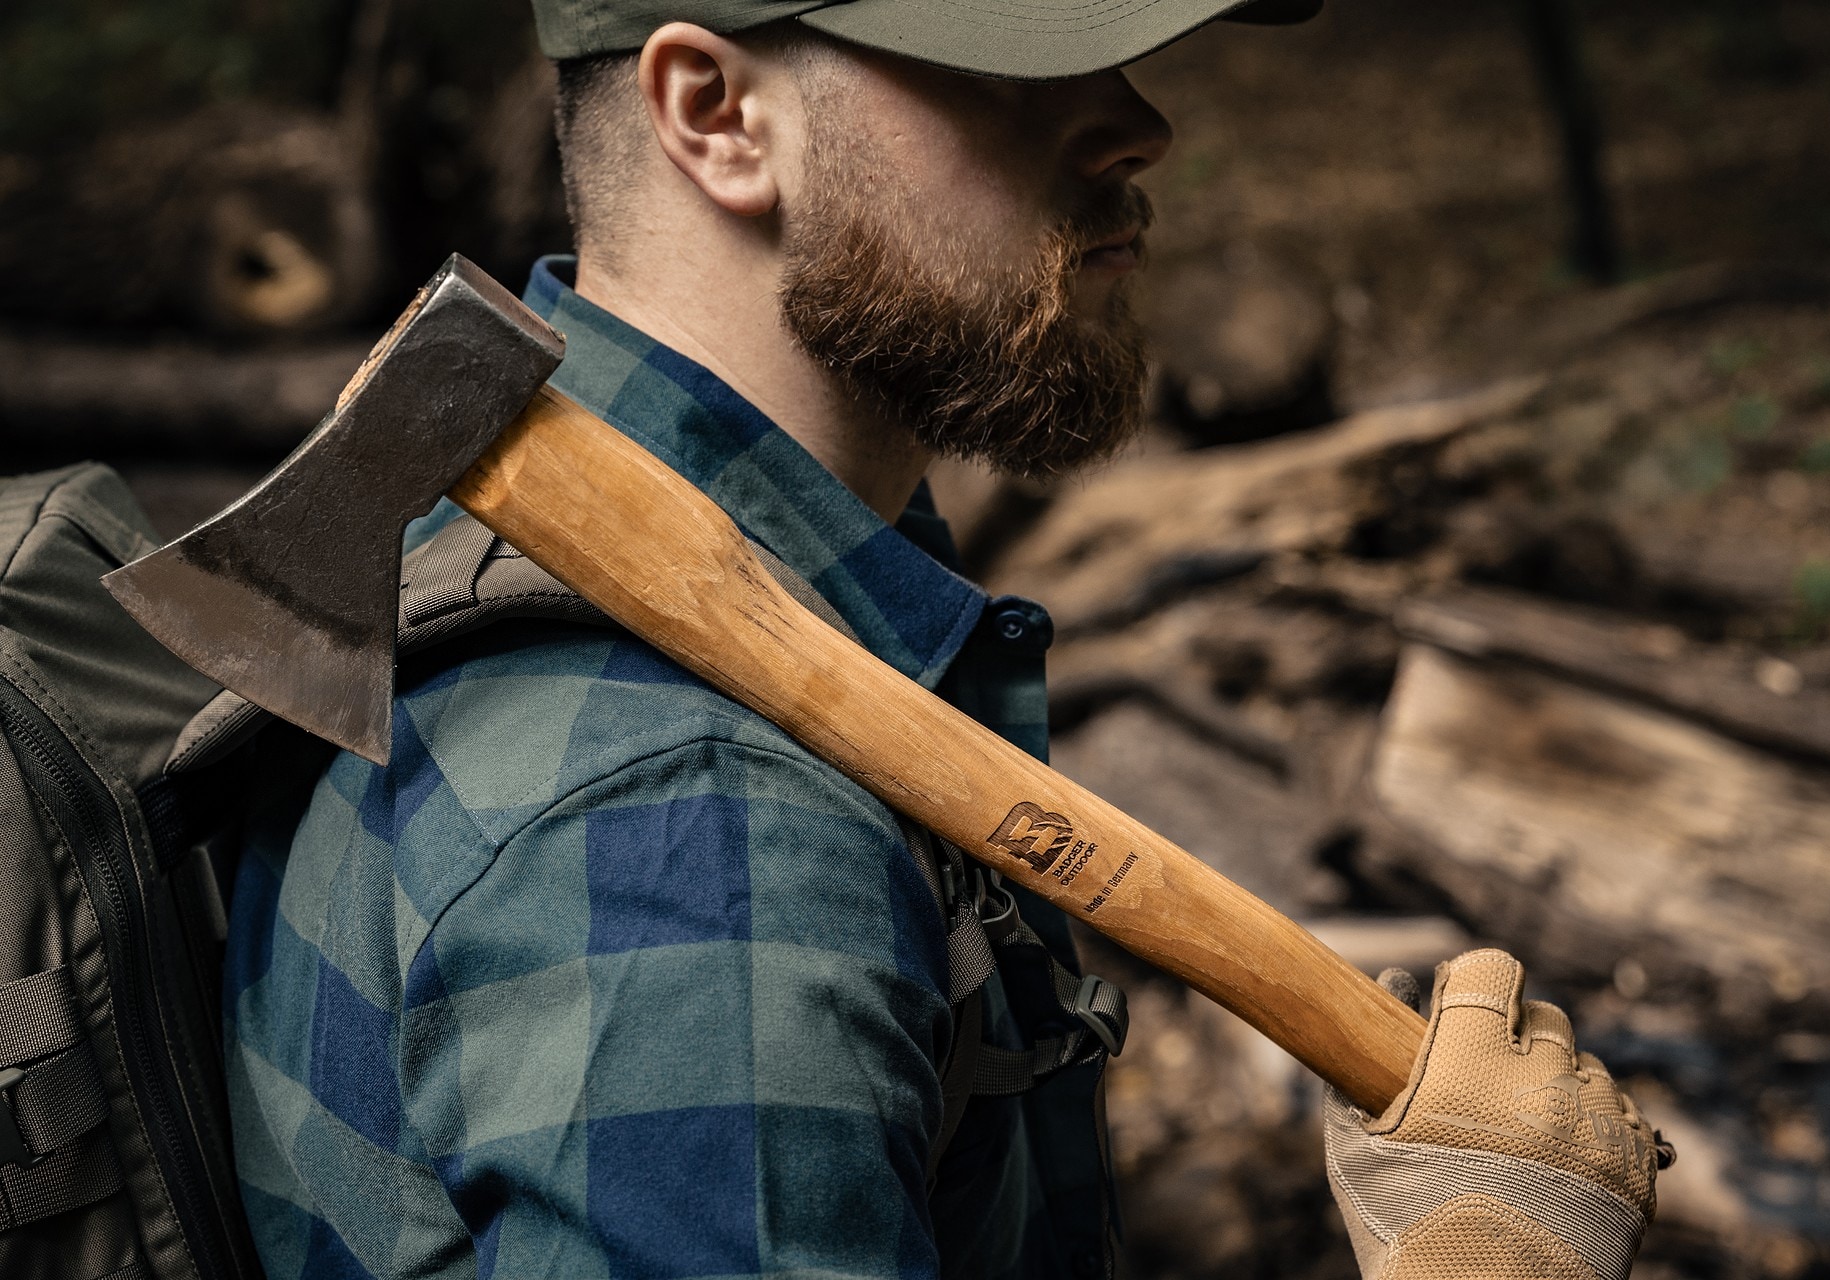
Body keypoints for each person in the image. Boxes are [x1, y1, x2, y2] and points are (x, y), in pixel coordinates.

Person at [223, 1, 1670, 1276]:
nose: (1140, 126)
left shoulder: (582, 563)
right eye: (1010, 60)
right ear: (718, 117)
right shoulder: (693, 848)